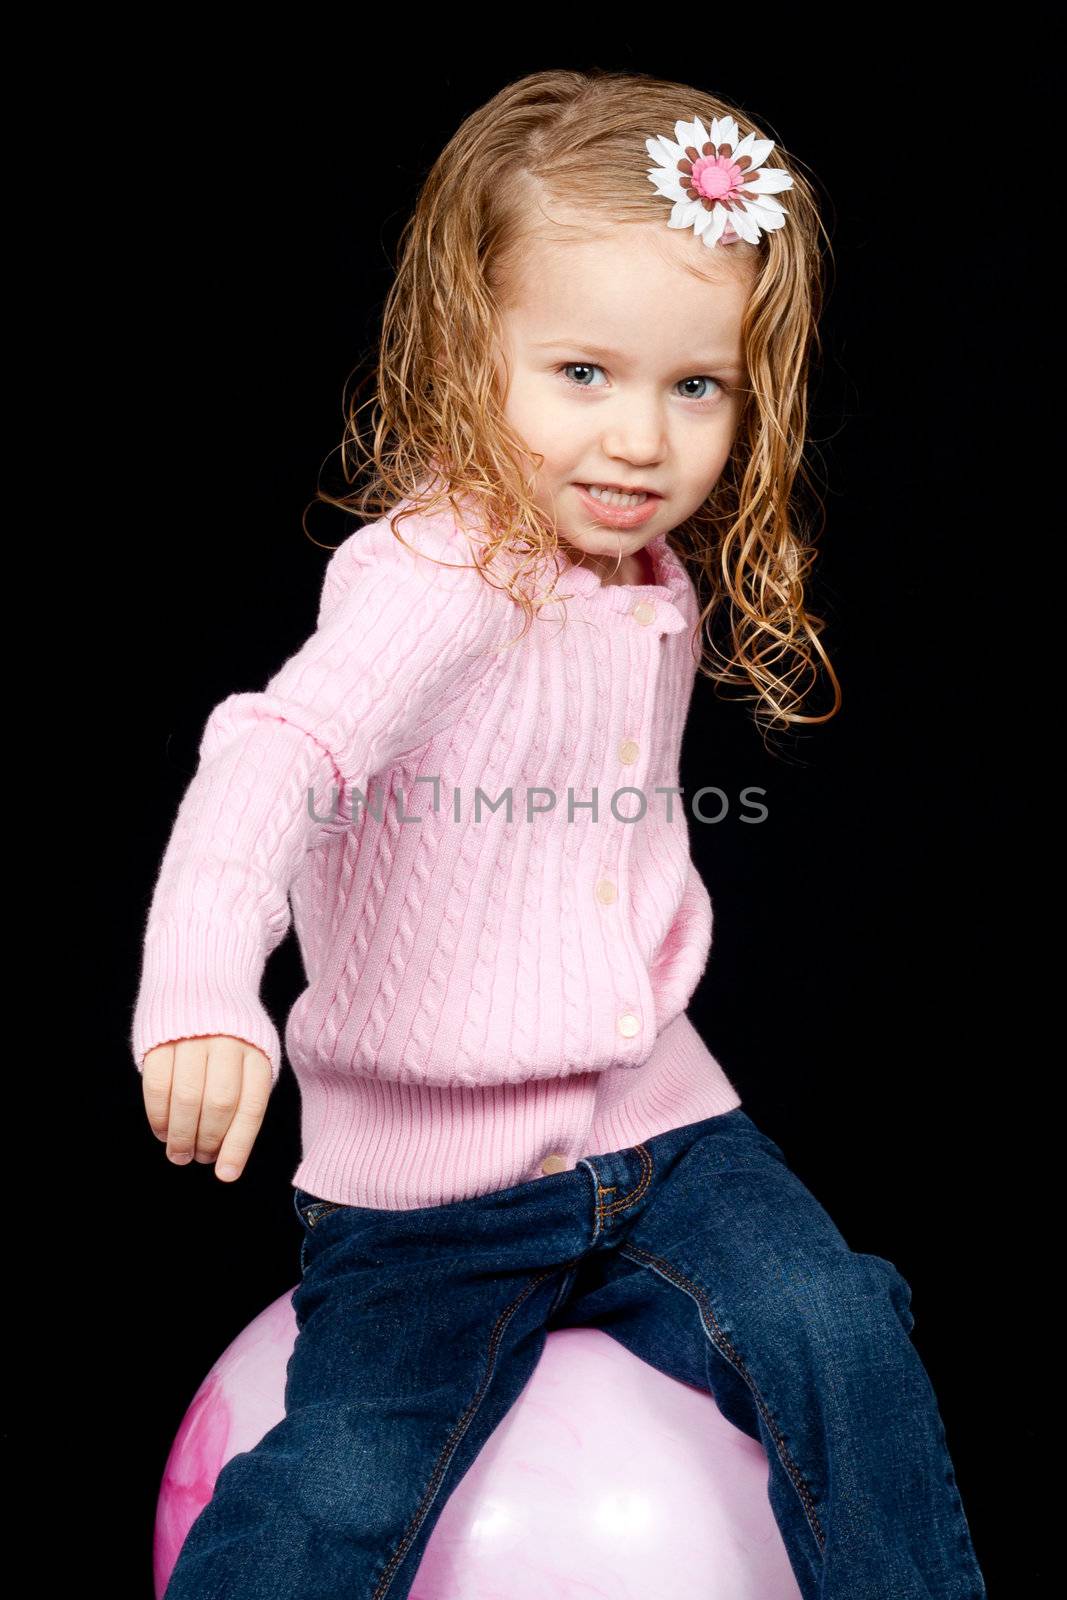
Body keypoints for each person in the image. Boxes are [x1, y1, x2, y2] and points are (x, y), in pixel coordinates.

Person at [133, 68, 987, 1600]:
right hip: (432, 1190)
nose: (641, 439)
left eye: (694, 386)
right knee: (340, 1488)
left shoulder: (654, 575)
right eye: (583, 372)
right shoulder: (439, 572)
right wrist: (202, 990)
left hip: (664, 1133)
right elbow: (275, 754)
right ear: (475, 350)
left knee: (839, 1331)